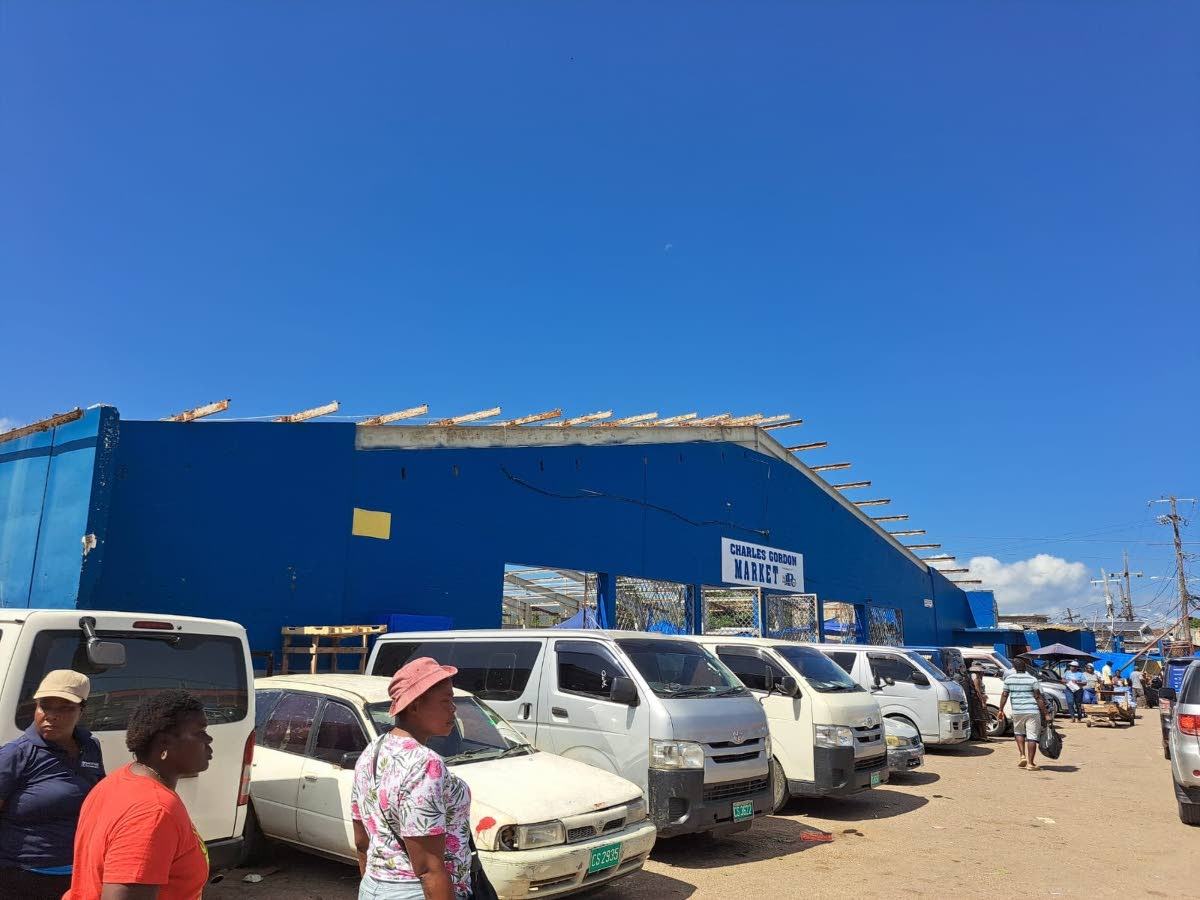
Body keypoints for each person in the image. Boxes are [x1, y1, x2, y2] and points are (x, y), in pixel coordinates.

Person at [65, 689, 213, 900]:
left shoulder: (118, 782)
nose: (209, 739)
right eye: (200, 732)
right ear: (164, 743)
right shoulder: (154, 811)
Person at [351, 657, 473, 900]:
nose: (453, 709)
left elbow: (361, 841)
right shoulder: (425, 763)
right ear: (415, 706)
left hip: (373, 887)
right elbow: (428, 868)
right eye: (445, 701)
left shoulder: (373, 751)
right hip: (418, 892)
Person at [0, 671, 105, 899]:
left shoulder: (90, 747)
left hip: (78, 872)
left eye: (65, 708)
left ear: (81, 711)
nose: (51, 716)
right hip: (22, 878)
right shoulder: (16, 754)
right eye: (45, 706)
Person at [998, 657, 1052, 771]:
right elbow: (1038, 697)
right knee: (1032, 736)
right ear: (1025, 667)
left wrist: (1000, 710)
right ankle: (1031, 763)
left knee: (1019, 732)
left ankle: (1022, 755)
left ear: (1014, 668)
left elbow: (1004, 695)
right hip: (1032, 711)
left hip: (1017, 711)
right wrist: (1046, 713)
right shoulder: (1032, 679)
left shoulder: (1009, 679)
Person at [968, 665, 991, 740]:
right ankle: (984, 735)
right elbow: (977, 690)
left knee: (980, 718)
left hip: (976, 698)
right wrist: (982, 701)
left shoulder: (973, 676)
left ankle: (982, 735)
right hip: (977, 699)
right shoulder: (976, 678)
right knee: (982, 718)